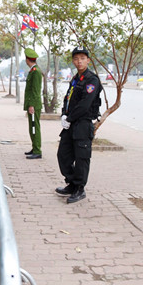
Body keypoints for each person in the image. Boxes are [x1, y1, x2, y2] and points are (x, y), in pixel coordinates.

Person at [55, 47, 102, 204]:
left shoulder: (92, 80)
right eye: (76, 58)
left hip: (82, 124)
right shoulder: (75, 79)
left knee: (82, 158)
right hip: (71, 123)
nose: (79, 61)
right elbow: (67, 99)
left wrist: (69, 118)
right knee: (63, 154)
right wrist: (63, 113)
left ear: (88, 60)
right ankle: (72, 183)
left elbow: (85, 104)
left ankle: (80, 189)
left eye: (82, 58)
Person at [23, 48, 42, 159]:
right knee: (32, 127)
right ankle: (34, 147)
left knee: (35, 127)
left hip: (34, 105)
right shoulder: (33, 70)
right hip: (32, 104)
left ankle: (37, 150)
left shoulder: (36, 72)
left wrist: (32, 105)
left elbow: (35, 90)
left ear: (27, 59)